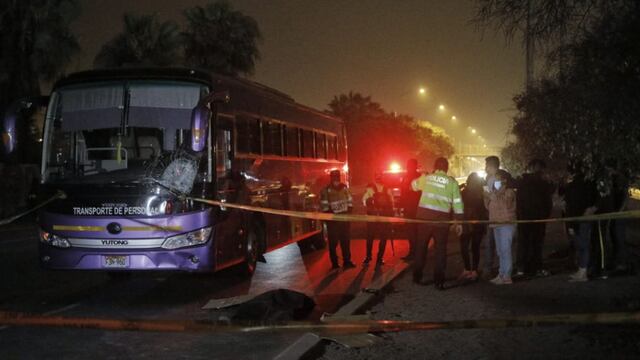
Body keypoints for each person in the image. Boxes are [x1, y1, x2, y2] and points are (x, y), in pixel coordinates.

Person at [411, 157, 463, 290]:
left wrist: (422, 176)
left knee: (421, 248)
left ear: (435, 166)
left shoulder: (427, 178)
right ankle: (439, 281)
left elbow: (413, 186)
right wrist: (458, 221)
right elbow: (458, 203)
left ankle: (417, 276)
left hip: (424, 220)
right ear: (446, 168)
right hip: (442, 221)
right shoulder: (452, 183)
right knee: (440, 250)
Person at [515, 159, 554, 277]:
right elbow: (548, 202)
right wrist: (545, 216)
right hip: (539, 219)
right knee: (537, 244)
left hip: (524, 219)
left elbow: (519, 202)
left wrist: (520, 215)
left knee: (523, 243)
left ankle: (521, 269)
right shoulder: (544, 183)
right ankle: (535, 268)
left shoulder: (522, 182)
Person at [562, 166, 598, 282]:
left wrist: (570, 225)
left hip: (576, 220)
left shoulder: (571, 187)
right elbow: (598, 200)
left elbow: (570, 207)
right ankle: (582, 270)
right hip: (586, 219)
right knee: (585, 245)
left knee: (582, 246)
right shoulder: (591, 184)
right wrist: (592, 209)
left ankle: (582, 273)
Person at [484, 169, 517, 285]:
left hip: (506, 224)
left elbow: (506, 205)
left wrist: (495, 194)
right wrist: (487, 197)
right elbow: (489, 207)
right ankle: (501, 274)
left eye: (497, 179)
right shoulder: (494, 192)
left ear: (504, 180)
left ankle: (507, 276)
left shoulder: (509, 192)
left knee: (505, 250)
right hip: (496, 223)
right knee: (500, 251)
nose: (495, 181)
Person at [320, 170, 355, 270]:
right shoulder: (326, 190)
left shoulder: (344, 188)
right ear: (331, 178)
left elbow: (350, 201)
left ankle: (347, 261)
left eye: (337, 177)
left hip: (344, 219)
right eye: (334, 177)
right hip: (333, 222)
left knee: (345, 241)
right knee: (333, 243)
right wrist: (329, 219)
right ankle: (335, 263)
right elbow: (324, 206)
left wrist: (349, 212)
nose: (336, 179)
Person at [458, 172, 487, 281]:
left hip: (465, 223)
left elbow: (458, 207)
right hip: (478, 223)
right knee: (475, 248)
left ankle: (466, 269)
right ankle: (474, 270)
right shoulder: (481, 193)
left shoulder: (464, 192)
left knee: (464, 247)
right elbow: (484, 209)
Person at [362, 172, 394, 266]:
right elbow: (391, 204)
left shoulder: (369, 188)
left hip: (372, 217)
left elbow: (364, 201)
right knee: (383, 238)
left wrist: (369, 203)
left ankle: (368, 257)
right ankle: (379, 258)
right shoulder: (387, 188)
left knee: (370, 238)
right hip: (384, 218)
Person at [399, 158, 422, 260]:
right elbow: (403, 192)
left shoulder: (420, 177)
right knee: (410, 232)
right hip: (408, 208)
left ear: (415, 166)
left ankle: (417, 253)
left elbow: (421, 193)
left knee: (416, 232)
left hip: (417, 208)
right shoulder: (405, 177)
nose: (409, 168)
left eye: (410, 165)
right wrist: (402, 205)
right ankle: (412, 252)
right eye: (408, 165)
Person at [482, 156, 500, 278]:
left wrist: (487, 198)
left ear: (491, 166)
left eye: (486, 165)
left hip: (496, 216)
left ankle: (497, 269)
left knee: (495, 243)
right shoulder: (487, 179)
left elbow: (496, 196)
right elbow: (486, 196)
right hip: (491, 215)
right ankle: (489, 268)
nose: (485, 168)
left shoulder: (498, 180)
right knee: (490, 243)